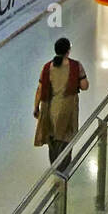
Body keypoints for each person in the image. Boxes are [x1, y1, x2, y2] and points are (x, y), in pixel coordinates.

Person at [34, 37, 90, 165]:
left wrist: (36, 108)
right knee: (65, 141)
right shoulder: (76, 66)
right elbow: (84, 86)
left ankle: (54, 169)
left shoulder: (47, 67)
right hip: (68, 111)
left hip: (50, 111)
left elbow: (40, 90)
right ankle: (63, 171)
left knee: (52, 141)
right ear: (68, 51)